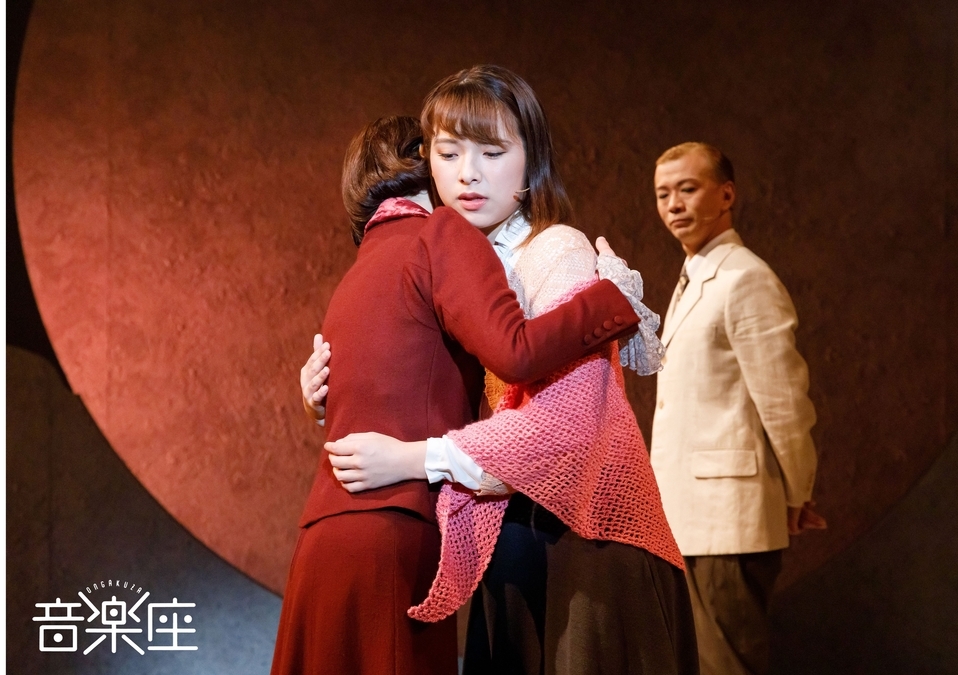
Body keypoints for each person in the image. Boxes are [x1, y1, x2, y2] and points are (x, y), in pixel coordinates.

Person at [319, 66, 699, 675]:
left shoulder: (555, 250)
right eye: (448, 153)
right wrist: (322, 389)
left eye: (493, 153)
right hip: (510, 536)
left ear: (531, 163)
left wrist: (416, 458)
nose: (468, 174)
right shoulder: (454, 265)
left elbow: (565, 427)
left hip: (587, 541)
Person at [269, 115, 644, 675]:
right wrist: (614, 299)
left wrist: (315, 402)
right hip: (395, 528)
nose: (466, 172)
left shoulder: (360, 268)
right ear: (425, 164)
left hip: (324, 532)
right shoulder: (440, 236)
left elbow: (365, 386)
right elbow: (515, 351)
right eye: (447, 155)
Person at [648, 142, 827, 675]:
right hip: (690, 517)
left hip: (727, 519)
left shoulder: (745, 278)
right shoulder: (694, 276)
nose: (674, 204)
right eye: (662, 194)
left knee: (726, 666)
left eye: (687, 189)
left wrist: (797, 491)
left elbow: (783, 401)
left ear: (726, 195)